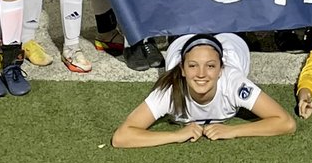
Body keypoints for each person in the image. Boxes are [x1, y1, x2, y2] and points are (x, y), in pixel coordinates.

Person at [112, 33, 295, 147]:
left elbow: (285, 122)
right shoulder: (170, 90)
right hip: (183, 39)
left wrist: (233, 131)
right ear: (182, 69)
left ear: (221, 70)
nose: (201, 74)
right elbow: (122, 137)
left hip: (231, 39)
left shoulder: (233, 82)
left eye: (210, 67)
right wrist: (175, 136)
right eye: (192, 66)